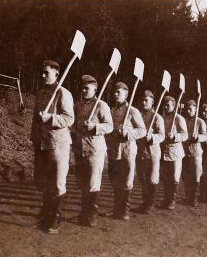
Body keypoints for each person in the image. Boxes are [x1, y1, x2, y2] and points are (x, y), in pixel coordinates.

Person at [31, 60, 74, 234]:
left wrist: (50, 117)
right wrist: (33, 137)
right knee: (42, 182)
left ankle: (54, 219)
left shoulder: (63, 93)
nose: (42, 76)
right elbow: (35, 118)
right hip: (41, 144)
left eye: (46, 73)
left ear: (56, 74)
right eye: (42, 72)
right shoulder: (41, 93)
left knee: (57, 182)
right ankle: (45, 214)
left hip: (58, 145)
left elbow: (69, 119)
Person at [72, 75, 113, 227]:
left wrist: (95, 127)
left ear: (95, 89)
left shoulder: (102, 106)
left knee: (93, 183)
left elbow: (110, 126)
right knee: (81, 183)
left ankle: (91, 216)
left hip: (95, 150)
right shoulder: (77, 106)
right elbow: (73, 124)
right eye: (82, 88)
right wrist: (75, 131)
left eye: (87, 88)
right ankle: (84, 213)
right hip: (79, 149)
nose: (84, 90)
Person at [106, 82, 146, 220]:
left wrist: (128, 133)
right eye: (115, 92)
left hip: (127, 151)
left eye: (119, 92)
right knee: (115, 180)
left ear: (127, 94)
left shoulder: (133, 111)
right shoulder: (111, 111)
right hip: (113, 151)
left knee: (126, 180)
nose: (116, 94)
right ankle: (116, 209)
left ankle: (124, 211)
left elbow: (142, 130)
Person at [135, 90, 165, 215]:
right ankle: (144, 202)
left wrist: (151, 137)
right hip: (140, 152)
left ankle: (150, 204)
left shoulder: (157, 117)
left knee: (151, 179)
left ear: (152, 102)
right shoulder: (138, 115)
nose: (143, 102)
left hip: (152, 152)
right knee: (142, 178)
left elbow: (162, 135)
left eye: (146, 100)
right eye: (142, 100)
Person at [160, 96, 188, 210]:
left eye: (168, 105)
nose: (166, 107)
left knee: (174, 178)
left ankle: (172, 201)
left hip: (175, 152)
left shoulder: (179, 119)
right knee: (165, 178)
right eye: (165, 105)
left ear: (174, 106)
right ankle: (166, 200)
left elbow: (185, 135)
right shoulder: (161, 118)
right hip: (164, 151)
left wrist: (175, 136)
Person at [182, 100, 207, 207]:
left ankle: (194, 198)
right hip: (184, 152)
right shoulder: (183, 120)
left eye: (190, 109)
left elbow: (205, 136)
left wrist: (198, 137)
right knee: (186, 176)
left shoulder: (200, 122)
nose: (188, 111)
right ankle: (187, 197)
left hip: (196, 152)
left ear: (195, 109)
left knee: (196, 175)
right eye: (187, 109)